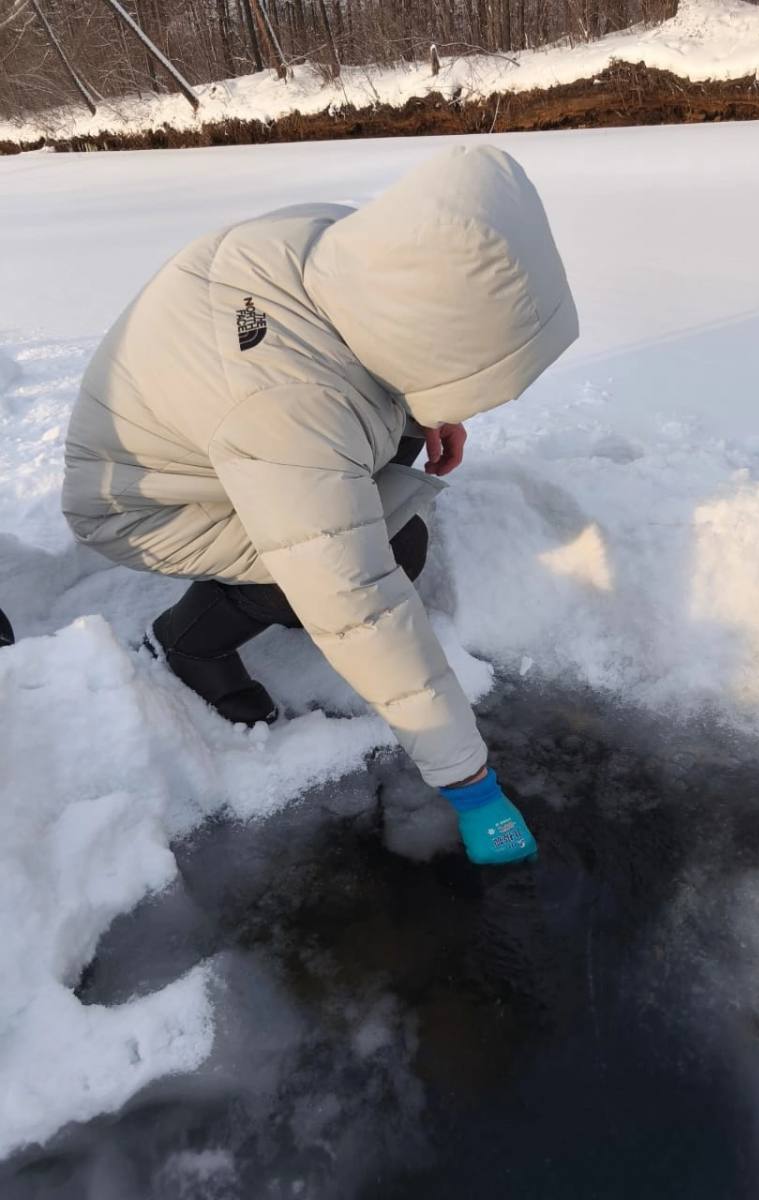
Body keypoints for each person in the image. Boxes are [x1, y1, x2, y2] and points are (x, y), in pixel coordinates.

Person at [62, 145, 578, 865]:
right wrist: (470, 785)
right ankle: (188, 641)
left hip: (219, 439)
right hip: (143, 506)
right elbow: (355, 599)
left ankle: (283, 575)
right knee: (381, 559)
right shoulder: (284, 410)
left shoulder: (341, 244)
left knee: (374, 520)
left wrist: (432, 410)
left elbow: (377, 349)